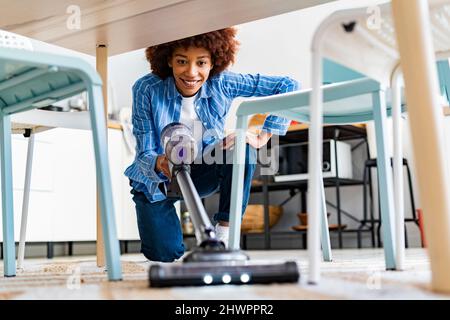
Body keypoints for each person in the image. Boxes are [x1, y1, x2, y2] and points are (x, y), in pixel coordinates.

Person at [124, 27, 299, 262]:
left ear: (213, 62)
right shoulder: (146, 89)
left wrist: (262, 136)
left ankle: (223, 236)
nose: (192, 72)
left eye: (201, 63)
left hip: (203, 170)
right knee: (164, 254)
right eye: (182, 61)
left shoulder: (222, 83)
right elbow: (144, 153)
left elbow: (288, 86)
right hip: (159, 180)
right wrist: (160, 161)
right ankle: (167, 240)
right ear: (168, 60)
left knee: (242, 148)